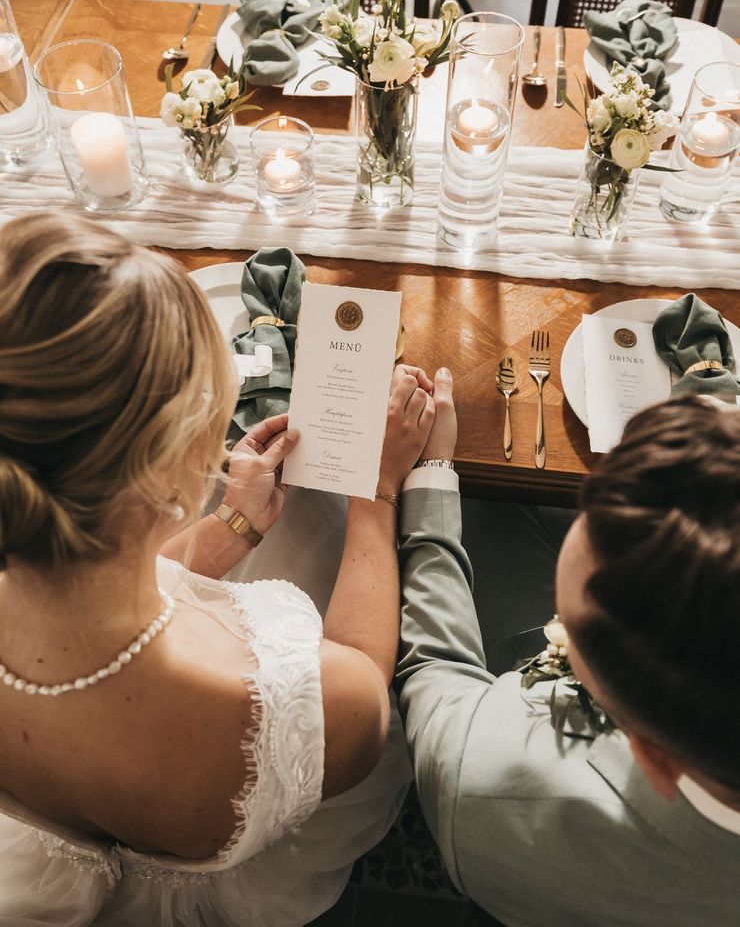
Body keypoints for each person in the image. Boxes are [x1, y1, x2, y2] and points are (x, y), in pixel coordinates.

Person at [0, 210, 436, 926]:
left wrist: (233, 527)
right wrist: (377, 489)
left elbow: (89, 587)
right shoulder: (279, 701)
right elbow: (361, 673)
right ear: (174, 476)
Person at [396, 375, 740, 927]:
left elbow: (438, 668)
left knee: (489, 516)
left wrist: (430, 475)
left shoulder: (486, 789)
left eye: (568, 630)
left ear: (652, 757)